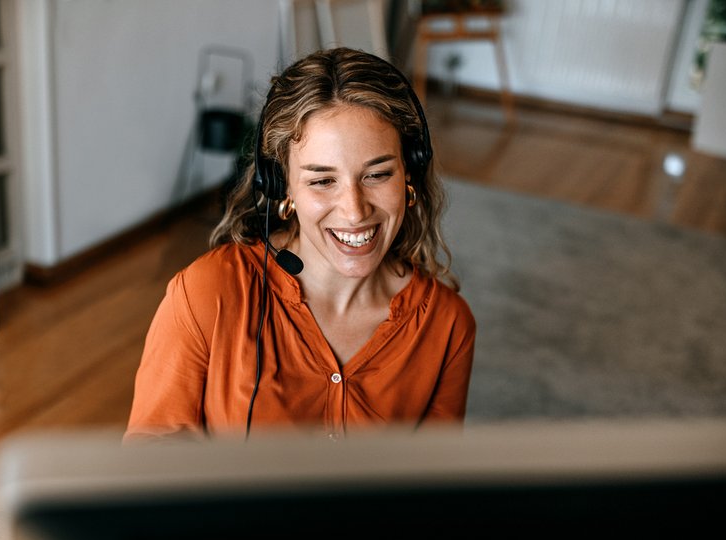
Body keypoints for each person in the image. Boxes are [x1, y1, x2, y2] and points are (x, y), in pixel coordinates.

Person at [125, 47, 475, 441]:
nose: (355, 211)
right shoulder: (207, 294)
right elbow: (150, 470)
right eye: (322, 181)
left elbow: (433, 487)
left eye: (377, 174)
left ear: (408, 173)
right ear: (282, 186)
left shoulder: (447, 325)